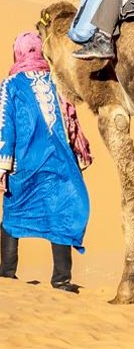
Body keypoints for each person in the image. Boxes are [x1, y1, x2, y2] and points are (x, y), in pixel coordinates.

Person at [0, 31, 92, 290]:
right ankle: (61, 280)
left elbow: (4, 125)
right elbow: (72, 121)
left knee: (14, 214)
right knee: (60, 214)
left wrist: (3, 165)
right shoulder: (57, 81)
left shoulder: (11, 85)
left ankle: (7, 274)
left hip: (25, 164)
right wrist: (78, 152)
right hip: (59, 163)